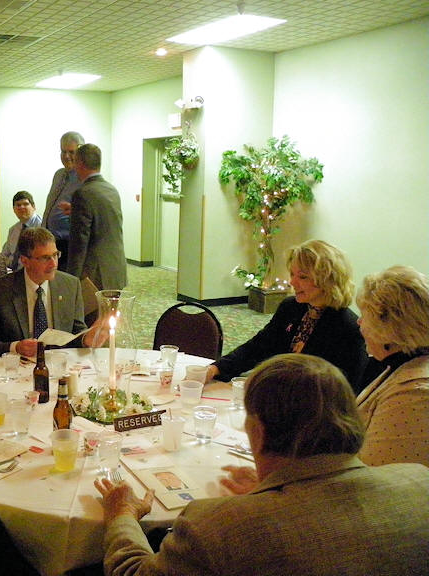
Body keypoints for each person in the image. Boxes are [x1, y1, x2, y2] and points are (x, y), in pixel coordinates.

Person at [96, 353, 429, 576]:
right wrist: (273, 494)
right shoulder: (420, 483)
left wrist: (122, 514)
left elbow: (132, 572)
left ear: (257, 430)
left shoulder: (215, 527)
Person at [206, 239, 367, 388]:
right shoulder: (291, 307)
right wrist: (216, 368)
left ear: (327, 281)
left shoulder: (349, 328)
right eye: (292, 274)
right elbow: (259, 346)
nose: (292, 282)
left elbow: (344, 390)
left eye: (302, 277)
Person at [0, 227, 99, 359]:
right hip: (17, 364)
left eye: (55, 255)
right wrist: (16, 347)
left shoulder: (70, 285)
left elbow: (76, 333)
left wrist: (86, 339)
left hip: (59, 363)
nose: (53, 264)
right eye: (45, 258)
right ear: (25, 261)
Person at [355, 265, 429, 467]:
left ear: (388, 327)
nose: (359, 322)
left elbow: (380, 472)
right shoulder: (402, 367)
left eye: (364, 316)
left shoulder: (415, 392)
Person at [67, 143, 127, 290]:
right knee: (112, 305)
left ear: (80, 163)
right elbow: (104, 222)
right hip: (115, 268)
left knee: (94, 307)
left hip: (95, 274)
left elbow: (79, 242)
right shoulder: (111, 189)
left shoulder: (82, 194)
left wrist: (71, 279)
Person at [41, 131, 85, 271]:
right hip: (51, 241)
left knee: (66, 281)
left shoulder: (84, 178)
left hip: (69, 244)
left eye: (71, 152)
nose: (66, 156)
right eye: (63, 151)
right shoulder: (59, 175)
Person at [1, 190, 42, 272]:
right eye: (18, 205)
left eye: (25, 204)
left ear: (34, 207)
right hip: (11, 271)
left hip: (32, 271)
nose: (21, 207)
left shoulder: (42, 227)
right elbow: (4, 255)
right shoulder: (13, 230)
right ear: (14, 209)